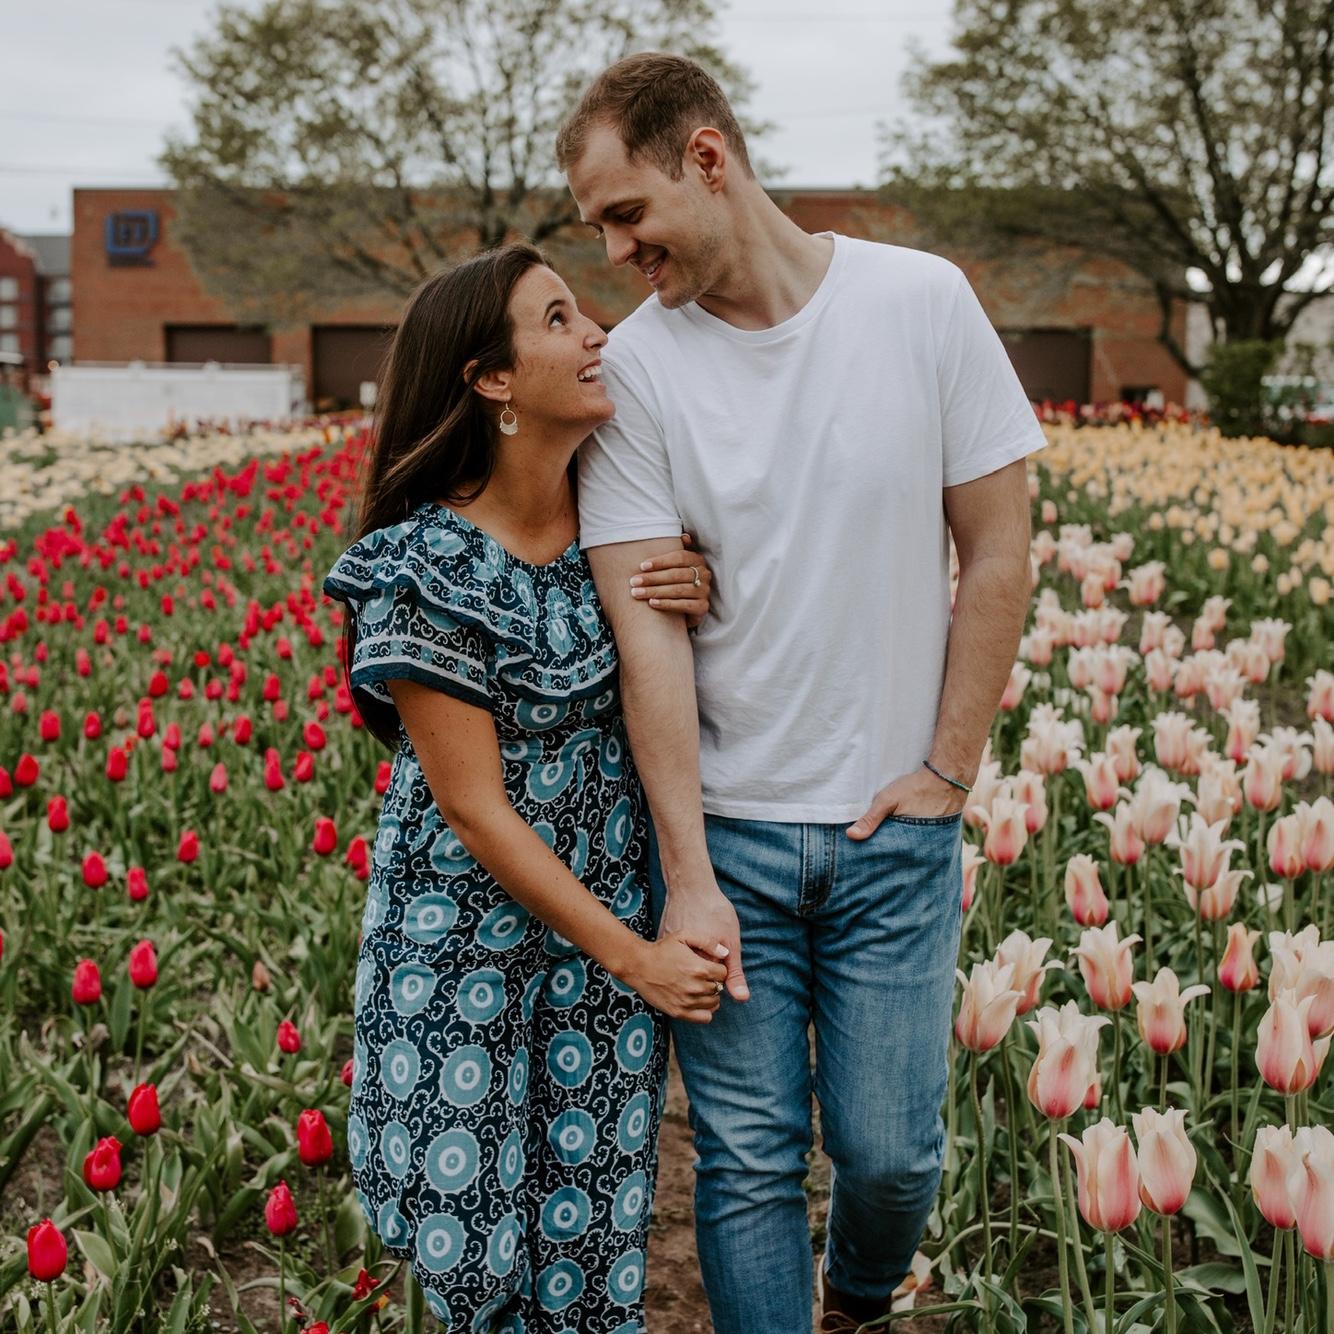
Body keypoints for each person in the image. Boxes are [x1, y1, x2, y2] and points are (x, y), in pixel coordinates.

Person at [556, 52, 1047, 1333]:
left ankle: (858, 1298)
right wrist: (686, 870)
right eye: (597, 226)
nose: (614, 253)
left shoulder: (920, 302)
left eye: (627, 214)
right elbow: (645, 636)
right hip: (728, 835)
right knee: (747, 1159)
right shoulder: (635, 372)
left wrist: (946, 768)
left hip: (894, 829)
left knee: (891, 1155)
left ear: (706, 159)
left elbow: (998, 549)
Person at [322, 241, 731, 1333]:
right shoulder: (425, 565)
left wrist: (695, 588)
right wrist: (636, 956)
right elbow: (472, 808)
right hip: (464, 947)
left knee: (588, 1237)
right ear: (491, 379)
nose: (597, 332)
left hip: (598, 946)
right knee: (472, 1246)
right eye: (557, 319)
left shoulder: (618, 523)